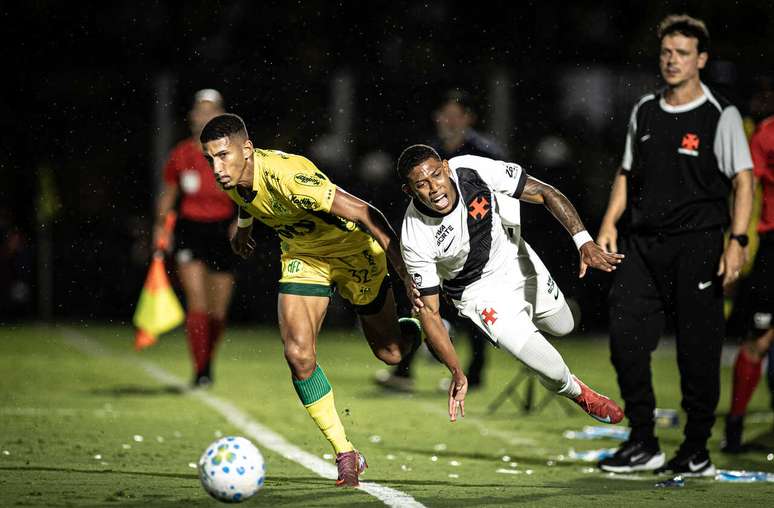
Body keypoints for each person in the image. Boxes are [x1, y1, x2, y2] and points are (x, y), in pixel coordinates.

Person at [199, 113, 423, 487]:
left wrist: (404, 272)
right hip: (305, 258)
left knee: (392, 354)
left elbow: (368, 212)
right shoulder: (232, 176)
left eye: (223, 156)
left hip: (356, 255)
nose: (217, 167)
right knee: (298, 355)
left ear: (247, 150)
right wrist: (243, 228)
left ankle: (415, 330)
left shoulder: (290, 177)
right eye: (210, 159)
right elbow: (247, 198)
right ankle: (346, 452)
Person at [595, 15, 754, 476]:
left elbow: (742, 181)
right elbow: (626, 172)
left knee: (697, 350)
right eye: (667, 52)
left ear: (700, 59)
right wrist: (608, 223)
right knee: (625, 338)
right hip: (642, 245)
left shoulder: (718, 114)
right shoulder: (645, 109)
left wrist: (738, 241)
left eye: (682, 53)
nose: (672, 60)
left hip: (698, 244)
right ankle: (643, 441)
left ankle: (696, 448)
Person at [395, 143, 625, 424]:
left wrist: (583, 241)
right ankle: (578, 392)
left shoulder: (471, 168)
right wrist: (456, 370)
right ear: (409, 191)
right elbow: (429, 312)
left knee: (563, 325)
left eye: (436, 175)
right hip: (477, 294)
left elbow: (545, 192)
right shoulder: (414, 234)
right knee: (551, 368)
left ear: (445, 167)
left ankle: (527, 339)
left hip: (514, 257)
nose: (434, 188)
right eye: (421, 184)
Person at [376, 89, 506, 392]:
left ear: (468, 118)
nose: (448, 121)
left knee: (473, 309)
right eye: (443, 115)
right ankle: (405, 370)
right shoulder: (427, 152)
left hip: (474, 243)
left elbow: (503, 195)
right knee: (418, 303)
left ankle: (473, 374)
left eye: (455, 115)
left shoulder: (484, 151)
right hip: (435, 244)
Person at [153, 89, 236, 387]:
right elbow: (168, 195)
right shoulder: (181, 153)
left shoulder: (232, 153)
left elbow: (248, 193)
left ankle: (207, 361)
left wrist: (242, 222)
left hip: (222, 230)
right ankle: (201, 371)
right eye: (200, 110)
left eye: (210, 110)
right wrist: (160, 230)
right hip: (190, 229)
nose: (204, 116)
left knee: (218, 311)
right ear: (192, 117)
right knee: (197, 303)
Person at [723, 114, 774, 453]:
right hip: (772, 244)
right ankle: (735, 427)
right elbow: (745, 187)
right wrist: (736, 244)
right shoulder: (767, 133)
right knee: (758, 339)